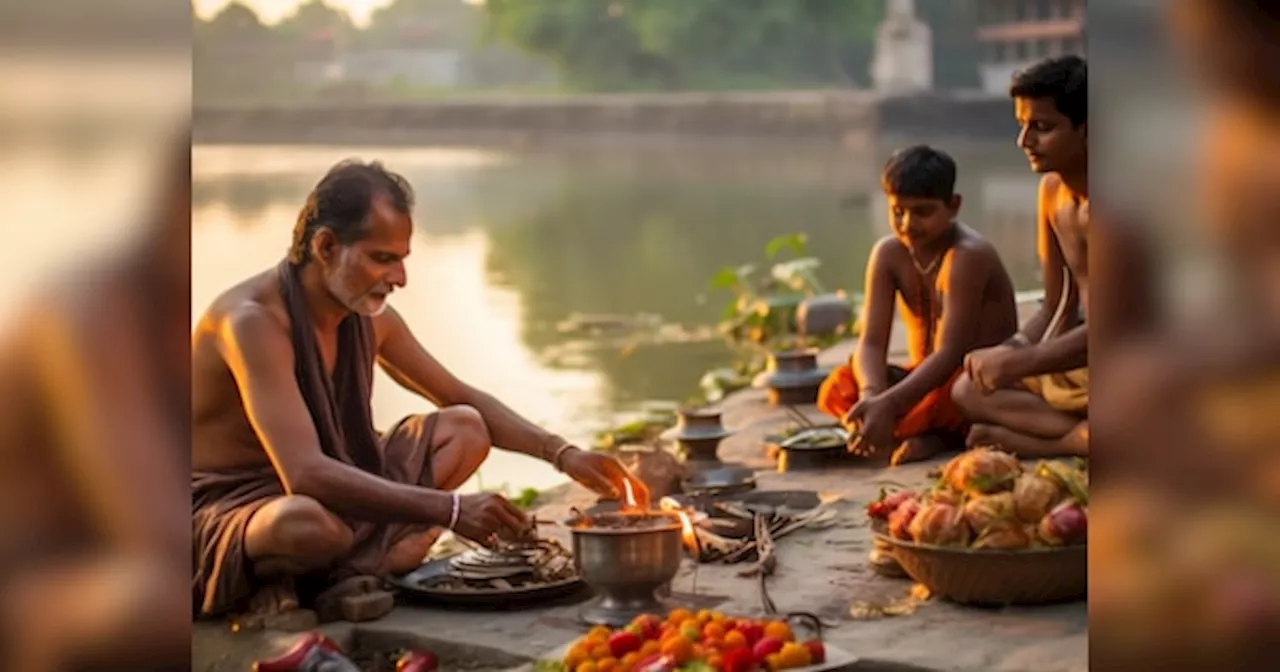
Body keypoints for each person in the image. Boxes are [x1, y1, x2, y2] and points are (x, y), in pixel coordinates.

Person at [191, 159, 650, 624]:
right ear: (326, 246)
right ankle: (355, 561)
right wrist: (450, 510)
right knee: (306, 526)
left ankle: (340, 567)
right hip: (236, 507)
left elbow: (458, 394)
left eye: (403, 259)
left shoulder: (369, 320)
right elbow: (305, 474)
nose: (400, 278)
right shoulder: (252, 322)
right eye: (382, 258)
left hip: (334, 482)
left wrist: (564, 454)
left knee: (466, 428)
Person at [816, 145, 1018, 466]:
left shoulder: (967, 255)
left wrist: (890, 404)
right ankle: (892, 423)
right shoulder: (888, 254)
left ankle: (937, 436)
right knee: (838, 386)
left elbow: (949, 353)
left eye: (922, 212)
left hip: (963, 379)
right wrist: (873, 395)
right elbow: (870, 341)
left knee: (963, 394)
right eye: (898, 211)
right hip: (920, 381)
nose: (908, 224)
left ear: (953, 206)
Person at [952, 55, 1090, 458]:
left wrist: (1024, 362)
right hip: (1077, 364)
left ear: (1087, 130)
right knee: (967, 389)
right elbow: (1056, 304)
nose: (1024, 141)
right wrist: (1009, 352)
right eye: (1022, 126)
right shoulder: (1051, 193)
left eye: (1042, 128)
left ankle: (1048, 442)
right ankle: (1080, 438)